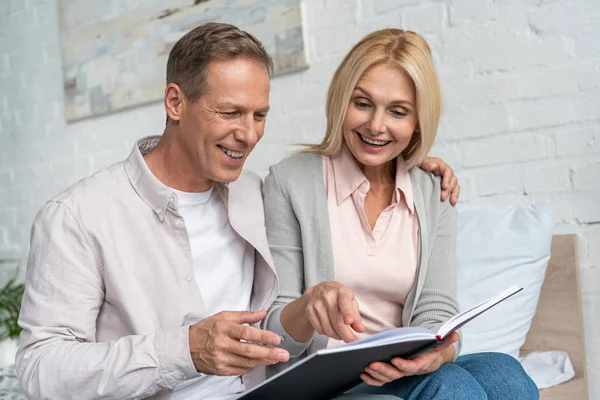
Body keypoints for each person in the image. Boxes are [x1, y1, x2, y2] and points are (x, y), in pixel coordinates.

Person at [15, 23, 460, 400]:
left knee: (494, 373)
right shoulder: (78, 217)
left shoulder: (255, 193)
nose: (248, 135)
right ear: (175, 103)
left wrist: (418, 166)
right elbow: (37, 370)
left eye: (259, 115)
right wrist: (184, 351)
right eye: (230, 112)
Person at [261, 29, 539, 399]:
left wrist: (439, 352)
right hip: (326, 383)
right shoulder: (290, 181)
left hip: (401, 371)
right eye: (362, 103)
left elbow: (436, 305)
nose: (376, 126)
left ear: (417, 122)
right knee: (450, 385)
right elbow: (276, 334)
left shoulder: (432, 189)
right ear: (340, 101)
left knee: (506, 373)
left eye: (398, 112)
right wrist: (310, 305)